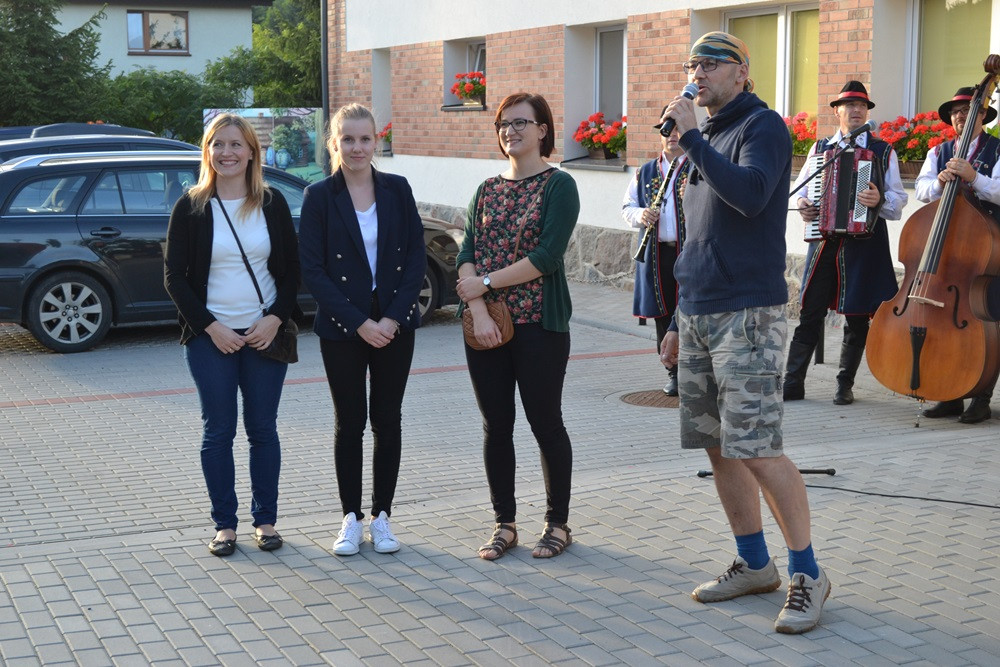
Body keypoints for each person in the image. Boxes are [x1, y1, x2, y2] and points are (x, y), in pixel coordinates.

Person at [659, 32, 829, 634]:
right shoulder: (700, 141)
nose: (697, 74)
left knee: (757, 445)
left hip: (747, 313)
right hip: (701, 309)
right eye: (692, 65)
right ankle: (755, 564)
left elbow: (753, 198)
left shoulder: (763, 127)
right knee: (717, 444)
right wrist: (678, 317)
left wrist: (695, 142)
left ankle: (807, 572)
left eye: (709, 64)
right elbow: (698, 236)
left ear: (742, 72)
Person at [164, 113, 300, 557]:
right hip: (211, 338)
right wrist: (210, 327)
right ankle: (225, 525)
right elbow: (174, 277)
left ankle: (266, 521)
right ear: (207, 151)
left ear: (251, 152)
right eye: (218, 144)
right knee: (218, 431)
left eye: (236, 145)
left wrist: (275, 318)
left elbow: (292, 271)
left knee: (263, 429)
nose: (227, 153)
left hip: (264, 333)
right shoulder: (191, 206)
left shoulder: (272, 203)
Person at [455, 92, 580, 561]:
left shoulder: (558, 185)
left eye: (521, 123)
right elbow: (466, 253)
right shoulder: (486, 189)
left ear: (543, 130)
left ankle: (557, 523)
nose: (511, 131)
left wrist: (484, 284)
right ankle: (504, 523)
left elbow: (546, 258)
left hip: (539, 327)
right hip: (485, 329)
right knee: (496, 426)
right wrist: (482, 310)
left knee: (546, 424)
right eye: (504, 124)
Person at [299, 103, 426, 556]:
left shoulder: (397, 189)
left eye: (365, 138)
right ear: (334, 143)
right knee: (349, 422)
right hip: (342, 326)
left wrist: (390, 319)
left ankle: (382, 516)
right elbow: (312, 271)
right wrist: (359, 323)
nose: (356, 147)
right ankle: (350, 517)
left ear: (377, 141)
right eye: (347, 139)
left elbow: (415, 258)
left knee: (386, 420)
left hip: (395, 323)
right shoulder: (319, 197)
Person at [786, 81, 907, 405]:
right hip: (825, 243)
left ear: (866, 112)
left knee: (856, 314)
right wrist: (804, 205)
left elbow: (897, 201)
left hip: (864, 244)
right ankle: (792, 381)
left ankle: (844, 384)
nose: (856, 110)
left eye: (861, 106)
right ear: (837, 111)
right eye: (849, 105)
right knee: (810, 311)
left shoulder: (882, 152)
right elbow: (800, 190)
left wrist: (878, 199)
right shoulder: (821, 148)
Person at [915, 86, 1000, 424]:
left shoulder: (997, 149)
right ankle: (949, 393)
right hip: (947, 246)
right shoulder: (939, 151)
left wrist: (974, 177)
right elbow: (921, 190)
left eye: (967, 110)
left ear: (982, 114)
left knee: (989, 320)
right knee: (944, 322)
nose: (960, 115)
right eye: (955, 111)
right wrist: (938, 182)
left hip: (986, 248)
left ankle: (982, 396)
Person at [621, 119, 689, 396]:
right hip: (656, 252)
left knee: (689, 310)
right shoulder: (645, 171)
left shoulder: (698, 167)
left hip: (689, 250)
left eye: (678, 130)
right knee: (663, 312)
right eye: (667, 131)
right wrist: (641, 214)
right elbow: (627, 208)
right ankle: (673, 371)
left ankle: (693, 369)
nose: (672, 135)